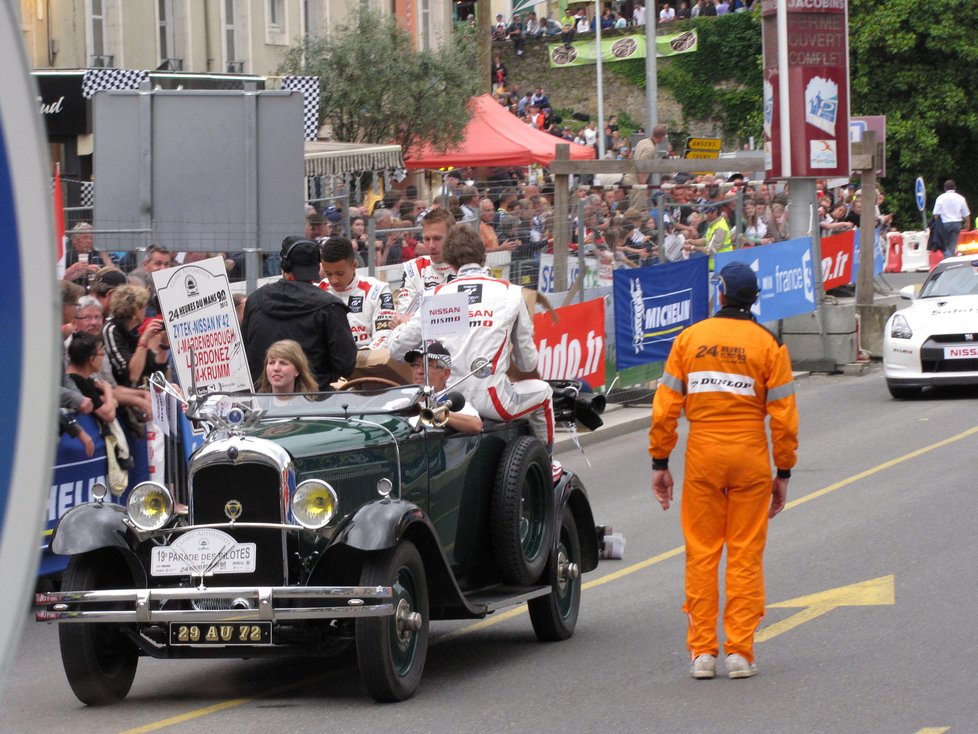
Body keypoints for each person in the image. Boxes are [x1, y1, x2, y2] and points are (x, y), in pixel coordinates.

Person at [649, 262, 798, 680]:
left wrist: (660, 461)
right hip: (750, 454)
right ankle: (740, 653)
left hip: (704, 455)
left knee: (702, 552)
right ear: (753, 299)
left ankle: (703, 654)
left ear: (720, 294)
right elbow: (784, 419)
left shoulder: (690, 339)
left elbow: (665, 411)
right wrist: (782, 471)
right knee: (745, 553)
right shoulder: (769, 344)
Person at [388, 225, 554, 453]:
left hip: (444, 400)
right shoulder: (511, 292)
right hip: (493, 401)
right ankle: (547, 463)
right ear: (483, 256)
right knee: (544, 392)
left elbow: (396, 349)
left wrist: (403, 325)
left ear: (450, 260)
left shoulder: (436, 294)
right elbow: (528, 363)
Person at [242, 237, 357, 390]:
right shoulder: (330, 307)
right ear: (317, 267)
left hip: (262, 403)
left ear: (284, 265)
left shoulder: (255, 300)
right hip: (313, 402)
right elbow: (345, 365)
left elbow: (242, 353)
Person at [318, 236, 396, 348]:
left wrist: (361, 358)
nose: (334, 280)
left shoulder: (378, 290)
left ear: (354, 265)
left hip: (367, 359)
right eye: (328, 274)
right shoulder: (317, 292)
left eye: (340, 273)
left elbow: (384, 336)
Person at [406, 341, 482, 435]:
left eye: (428, 365)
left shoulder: (454, 404)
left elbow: (475, 425)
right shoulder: (402, 403)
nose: (419, 371)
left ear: (445, 373)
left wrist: (436, 413)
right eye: (415, 365)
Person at [396, 208, 458, 316]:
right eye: (427, 239)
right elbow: (404, 316)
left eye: (437, 238)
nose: (431, 246)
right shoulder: (413, 268)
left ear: (453, 237)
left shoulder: (468, 267)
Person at [254, 339, 319, 394]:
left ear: (297, 370)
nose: (276, 368)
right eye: (271, 363)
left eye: (283, 363)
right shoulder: (257, 406)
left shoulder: (310, 408)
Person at [932, 179, 971, 258]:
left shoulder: (941, 198)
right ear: (955, 187)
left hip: (945, 223)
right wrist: (967, 223)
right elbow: (966, 213)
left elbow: (936, 214)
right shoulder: (960, 198)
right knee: (952, 245)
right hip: (957, 223)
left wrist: (937, 223)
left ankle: (949, 258)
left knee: (943, 245)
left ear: (945, 188)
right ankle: (950, 260)